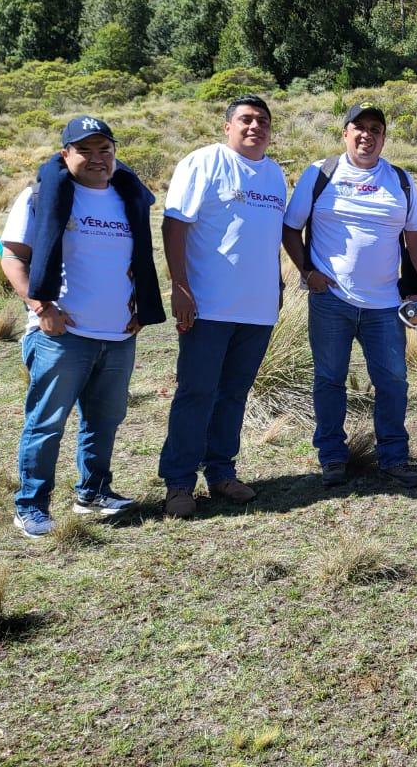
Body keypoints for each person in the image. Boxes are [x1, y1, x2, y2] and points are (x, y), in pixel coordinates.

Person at [0, 116, 165, 538]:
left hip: (117, 334)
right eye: (85, 150)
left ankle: (92, 492)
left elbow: (134, 262)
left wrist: (139, 308)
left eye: (104, 149)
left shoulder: (126, 198)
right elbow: (12, 256)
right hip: (62, 335)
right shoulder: (42, 195)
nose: (96, 158)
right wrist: (41, 307)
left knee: (104, 420)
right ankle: (31, 505)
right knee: (47, 422)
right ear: (65, 154)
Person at [282, 103, 417, 489]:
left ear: (384, 137)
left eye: (375, 129)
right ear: (345, 133)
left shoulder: (399, 181)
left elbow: (416, 239)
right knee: (330, 379)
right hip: (331, 300)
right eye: (359, 127)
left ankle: (394, 458)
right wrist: (308, 273)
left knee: (393, 383)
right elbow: (290, 228)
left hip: (385, 304)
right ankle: (333, 458)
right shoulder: (321, 174)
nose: (367, 135)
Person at [158, 95, 288, 518]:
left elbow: (265, 238)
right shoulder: (203, 163)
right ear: (227, 125)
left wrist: (279, 285)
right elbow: (174, 225)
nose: (255, 127)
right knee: (196, 392)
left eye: (263, 121)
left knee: (234, 394)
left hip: (258, 309)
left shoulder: (274, 175)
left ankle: (221, 473)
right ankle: (179, 483)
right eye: (246, 120)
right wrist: (180, 287)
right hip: (207, 307)